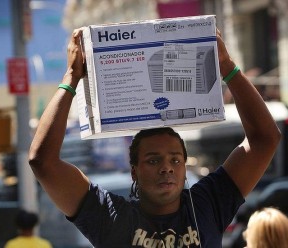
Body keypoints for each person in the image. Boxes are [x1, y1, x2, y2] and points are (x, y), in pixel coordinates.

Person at [28, 27, 281, 247]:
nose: (166, 169)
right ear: (134, 171)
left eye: (175, 160)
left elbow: (265, 140)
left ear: (185, 167)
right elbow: (43, 163)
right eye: (153, 160)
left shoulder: (208, 204)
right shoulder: (110, 217)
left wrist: (227, 67)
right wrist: (71, 77)